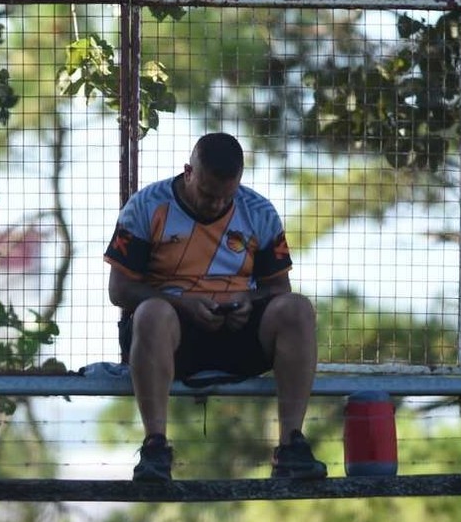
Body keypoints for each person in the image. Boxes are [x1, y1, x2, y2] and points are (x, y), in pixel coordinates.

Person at [104, 132, 326, 482]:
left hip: (237, 331)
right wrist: (183, 305)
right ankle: (155, 447)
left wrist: (247, 302)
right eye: (208, 194)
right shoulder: (147, 206)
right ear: (188, 172)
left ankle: (291, 448)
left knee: (297, 309)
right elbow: (120, 290)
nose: (216, 205)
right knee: (151, 313)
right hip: (170, 335)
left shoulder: (259, 212)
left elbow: (278, 288)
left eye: (226, 197)